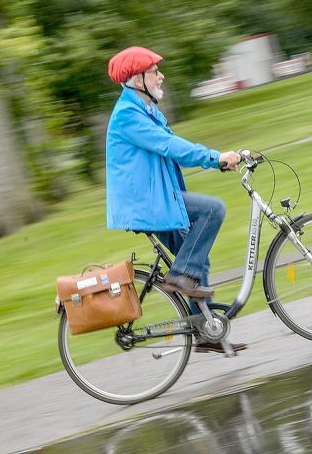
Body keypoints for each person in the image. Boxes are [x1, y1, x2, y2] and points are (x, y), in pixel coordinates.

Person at [105, 46, 246, 354]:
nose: (161, 75)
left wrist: (218, 161)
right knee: (212, 210)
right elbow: (169, 146)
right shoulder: (129, 116)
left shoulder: (146, 110)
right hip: (147, 203)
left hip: (157, 198)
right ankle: (180, 277)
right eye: (155, 71)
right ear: (136, 79)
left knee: (196, 258)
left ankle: (206, 332)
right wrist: (215, 157)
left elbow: (171, 148)